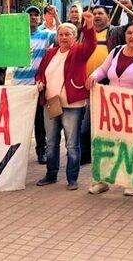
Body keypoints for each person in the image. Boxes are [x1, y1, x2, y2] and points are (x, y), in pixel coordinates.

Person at [86, 21, 133, 196]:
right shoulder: (116, 51)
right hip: (112, 110)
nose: (132, 36)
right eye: (129, 33)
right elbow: (103, 70)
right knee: (106, 144)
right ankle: (102, 180)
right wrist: (93, 76)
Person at [35, 10, 96, 190]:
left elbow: (91, 43)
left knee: (71, 144)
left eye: (67, 34)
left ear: (75, 37)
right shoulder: (50, 53)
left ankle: (72, 179)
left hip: (72, 106)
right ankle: (51, 174)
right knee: (52, 142)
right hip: (50, 104)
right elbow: (41, 73)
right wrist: (39, 82)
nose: (63, 37)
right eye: (60, 34)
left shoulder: (79, 51)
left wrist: (90, 24)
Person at [12, 5, 56, 164]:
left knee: (40, 122)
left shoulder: (46, 35)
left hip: (37, 86)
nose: (33, 17)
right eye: (30, 15)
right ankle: (18, 152)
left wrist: (55, 15)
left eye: (36, 15)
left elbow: (64, 35)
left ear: (40, 18)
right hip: (19, 86)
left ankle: (41, 151)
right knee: (19, 122)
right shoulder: (15, 36)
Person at [81, 5, 113, 165]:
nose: (97, 16)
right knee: (85, 125)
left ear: (109, 16)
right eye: (94, 14)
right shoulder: (85, 34)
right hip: (87, 85)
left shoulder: (115, 32)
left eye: (101, 13)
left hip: (108, 86)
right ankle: (85, 155)